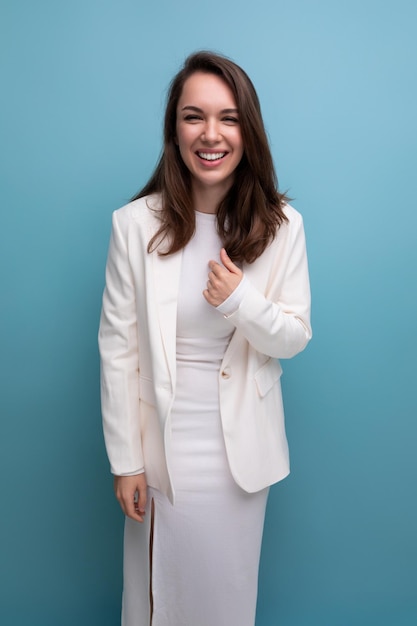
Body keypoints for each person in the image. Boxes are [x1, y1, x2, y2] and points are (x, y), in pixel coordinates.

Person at [99, 51, 312, 626]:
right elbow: (118, 350)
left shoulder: (282, 225)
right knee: (154, 598)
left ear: (248, 130)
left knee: (224, 598)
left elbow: (294, 336)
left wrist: (240, 301)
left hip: (239, 452)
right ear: (175, 128)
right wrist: (126, 462)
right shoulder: (135, 224)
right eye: (194, 116)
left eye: (229, 118)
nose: (210, 134)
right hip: (160, 446)